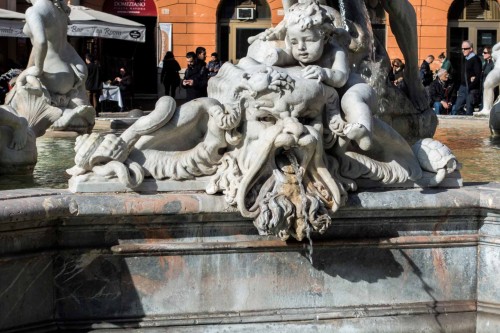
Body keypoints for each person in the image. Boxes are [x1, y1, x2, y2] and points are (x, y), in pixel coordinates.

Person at [451, 40, 482, 115]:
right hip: (463, 87)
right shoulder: (466, 59)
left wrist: (471, 86)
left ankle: (469, 124)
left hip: (470, 88)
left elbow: (478, 75)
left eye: (465, 49)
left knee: (469, 109)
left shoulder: (475, 59)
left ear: (471, 49)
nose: (463, 50)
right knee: (457, 108)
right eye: (462, 49)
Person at [475, 42, 500, 116]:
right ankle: (486, 109)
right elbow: (494, 48)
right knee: (487, 83)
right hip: (498, 69)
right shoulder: (497, 52)